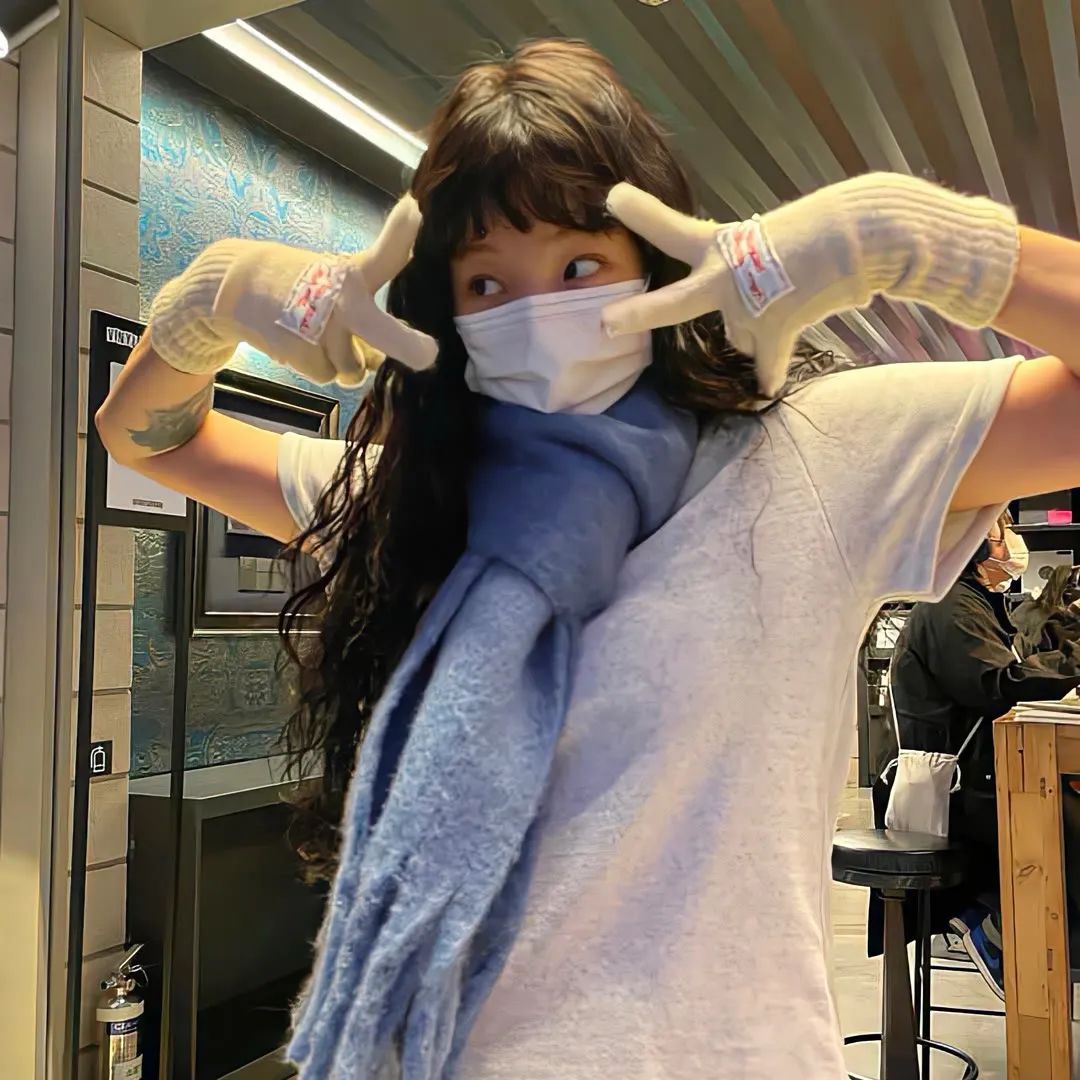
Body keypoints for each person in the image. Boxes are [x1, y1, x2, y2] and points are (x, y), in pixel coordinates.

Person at [94, 36, 1080, 1080]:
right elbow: (147, 436)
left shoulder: (814, 453)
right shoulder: (410, 503)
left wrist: (900, 238)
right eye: (486, 281)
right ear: (445, 312)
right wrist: (215, 296)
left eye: (577, 266)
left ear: (652, 265)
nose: (537, 317)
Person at [887, 513, 1080, 999]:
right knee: (1068, 824)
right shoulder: (948, 605)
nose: (1012, 542)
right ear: (972, 542)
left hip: (983, 774)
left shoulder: (972, 600)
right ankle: (998, 925)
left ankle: (1032, 931)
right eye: (1001, 532)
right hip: (958, 791)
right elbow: (996, 684)